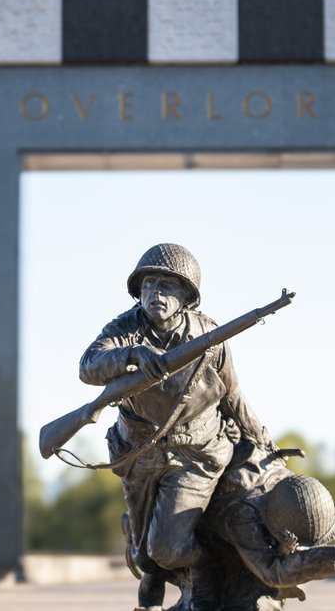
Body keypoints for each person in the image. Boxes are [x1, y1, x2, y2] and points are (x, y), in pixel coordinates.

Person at [79, 243, 272, 610]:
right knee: (142, 554)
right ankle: (152, 571)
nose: (156, 294)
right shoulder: (125, 328)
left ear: (186, 296)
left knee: (166, 547)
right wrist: (131, 355)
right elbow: (88, 365)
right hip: (137, 452)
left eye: (168, 286)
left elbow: (232, 395)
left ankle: (203, 571)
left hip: (195, 453)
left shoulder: (210, 338)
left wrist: (262, 439)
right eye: (150, 284)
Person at [195, 441, 335, 610]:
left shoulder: (290, 490)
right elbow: (273, 571)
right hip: (208, 550)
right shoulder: (242, 517)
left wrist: (285, 550)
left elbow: (292, 555)